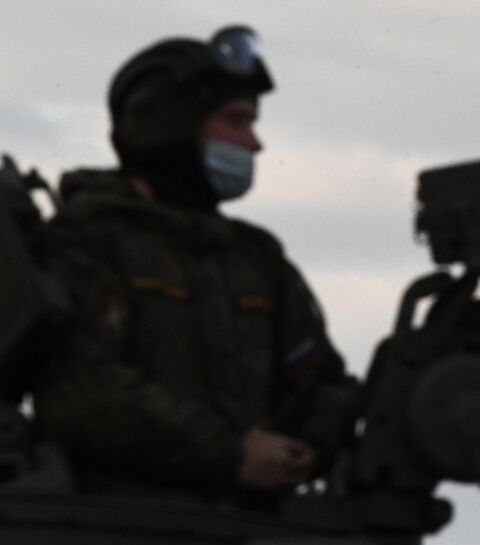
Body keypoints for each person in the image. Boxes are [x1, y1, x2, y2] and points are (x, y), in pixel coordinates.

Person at [33, 26, 353, 502]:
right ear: (172, 125)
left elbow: (321, 379)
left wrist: (310, 447)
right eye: (237, 121)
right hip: (127, 533)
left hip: (250, 536)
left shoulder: (256, 258)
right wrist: (231, 455)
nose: (254, 144)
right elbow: (83, 391)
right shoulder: (90, 243)